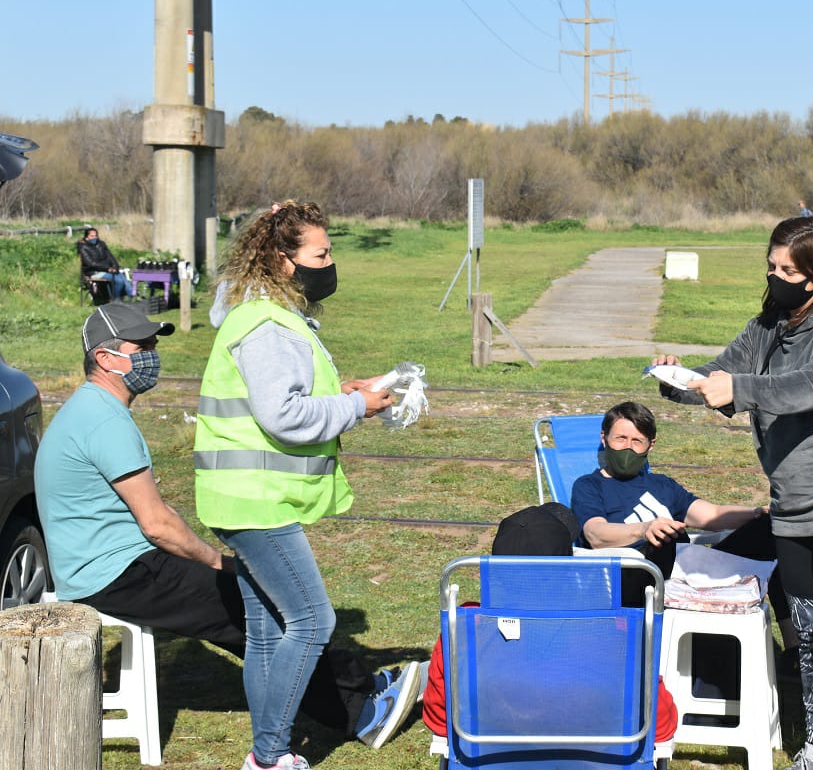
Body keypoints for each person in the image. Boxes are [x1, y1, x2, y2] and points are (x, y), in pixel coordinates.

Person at [34, 302, 419, 768]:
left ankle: (360, 685)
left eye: (154, 344)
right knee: (264, 612)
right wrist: (218, 562)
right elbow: (157, 524)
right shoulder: (105, 422)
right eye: (143, 347)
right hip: (115, 574)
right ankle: (358, 712)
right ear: (105, 358)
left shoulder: (89, 409)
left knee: (265, 602)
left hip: (112, 563)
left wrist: (335, 395)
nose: (153, 354)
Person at [653, 216, 813, 770]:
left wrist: (739, 388)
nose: (776, 277)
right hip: (794, 506)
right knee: (808, 634)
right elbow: (722, 375)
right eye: (771, 266)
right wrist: (681, 381)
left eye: (789, 270)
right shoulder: (767, 326)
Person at [194, 201, 395, 770]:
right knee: (312, 622)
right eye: (321, 254)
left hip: (240, 496)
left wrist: (344, 392)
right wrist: (356, 408)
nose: (329, 264)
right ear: (285, 261)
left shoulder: (260, 313)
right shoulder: (267, 325)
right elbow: (282, 414)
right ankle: (268, 756)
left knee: (266, 631)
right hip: (256, 501)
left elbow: (284, 397)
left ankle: (266, 751)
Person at [423, 503, 679, 746]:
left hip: (491, 760)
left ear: (495, 568)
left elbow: (440, 721)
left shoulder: (464, 628)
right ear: (569, 567)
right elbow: (661, 726)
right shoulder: (613, 631)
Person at [570, 401, 799, 665]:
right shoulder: (590, 486)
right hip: (635, 582)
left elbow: (710, 515)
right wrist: (645, 529)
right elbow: (596, 534)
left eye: (637, 441)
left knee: (772, 527)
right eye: (620, 438)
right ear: (605, 438)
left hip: (686, 572)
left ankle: (794, 649)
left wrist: (757, 513)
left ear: (650, 445)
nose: (628, 447)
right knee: (667, 538)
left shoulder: (662, 485)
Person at [77, 226, 134, 301]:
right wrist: (108, 268)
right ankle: (116, 299)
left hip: (107, 270)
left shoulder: (101, 244)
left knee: (123, 278)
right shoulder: (83, 247)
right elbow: (91, 263)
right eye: (92, 236)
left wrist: (115, 267)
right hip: (94, 272)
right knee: (119, 281)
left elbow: (111, 257)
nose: (94, 238)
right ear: (86, 237)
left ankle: (132, 296)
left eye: (95, 236)